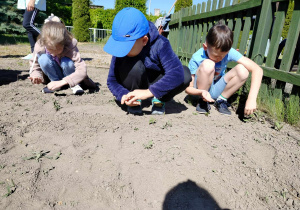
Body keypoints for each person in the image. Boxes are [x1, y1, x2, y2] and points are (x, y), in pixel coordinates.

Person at [104, 7, 191, 115]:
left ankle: (159, 99)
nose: (123, 51)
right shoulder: (121, 47)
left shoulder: (161, 44)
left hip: (155, 82)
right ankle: (135, 100)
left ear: (144, 40)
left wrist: (150, 92)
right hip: (133, 83)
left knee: (185, 74)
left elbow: (176, 73)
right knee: (135, 66)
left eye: (127, 47)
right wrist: (123, 94)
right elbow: (112, 80)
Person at [186, 22, 263, 116]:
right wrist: (202, 92)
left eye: (224, 55)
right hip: (199, 92)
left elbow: (257, 69)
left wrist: (251, 98)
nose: (220, 59)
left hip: (215, 90)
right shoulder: (197, 57)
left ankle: (221, 100)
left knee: (243, 70)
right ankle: (202, 101)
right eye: (216, 56)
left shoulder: (228, 52)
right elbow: (188, 89)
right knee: (209, 64)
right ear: (205, 47)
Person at [28, 14, 95, 94]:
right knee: (43, 59)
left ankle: (74, 85)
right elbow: (34, 65)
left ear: (63, 42)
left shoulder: (70, 44)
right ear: (44, 43)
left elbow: (82, 70)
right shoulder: (39, 46)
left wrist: (63, 82)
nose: (54, 53)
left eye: (58, 48)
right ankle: (55, 84)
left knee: (66, 62)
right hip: (55, 76)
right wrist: (36, 76)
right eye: (50, 49)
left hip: (71, 76)